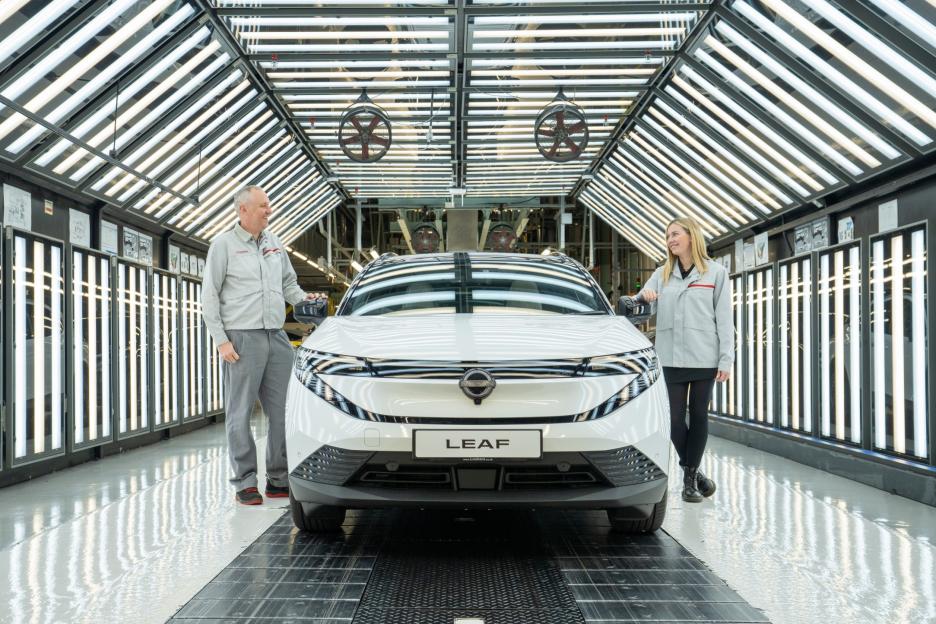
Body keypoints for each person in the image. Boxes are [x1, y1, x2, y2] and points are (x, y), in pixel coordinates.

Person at [202, 185, 326, 505]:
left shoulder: (274, 244)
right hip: (241, 338)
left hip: (277, 336)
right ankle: (244, 481)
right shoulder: (224, 245)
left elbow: (289, 285)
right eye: (262, 206)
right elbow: (210, 296)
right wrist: (221, 341)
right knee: (240, 413)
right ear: (242, 210)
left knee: (285, 412)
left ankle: (278, 478)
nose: (268, 211)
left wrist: (306, 300)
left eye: (269, 206)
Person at [636, 217, 734, 503]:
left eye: (675, 234)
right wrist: (645, 295)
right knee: (674, 420)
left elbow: (725, 320)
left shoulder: (716, 273)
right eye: (668, 236)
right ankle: (695, 473)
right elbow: (642, 300)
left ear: (692, 236)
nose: (670, 240)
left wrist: (726, 360)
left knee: (700, 414)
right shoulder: (661, 274)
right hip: (671, 356)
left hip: (705, 355)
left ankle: (689, 481)